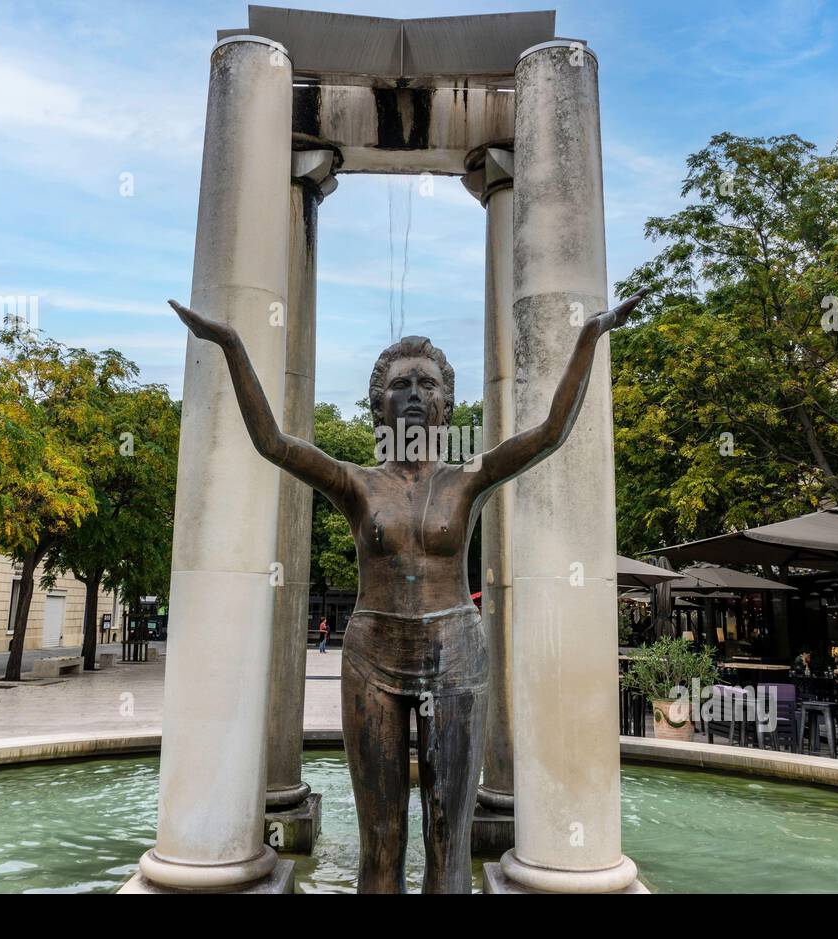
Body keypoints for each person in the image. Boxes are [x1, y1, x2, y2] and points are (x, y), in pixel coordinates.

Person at [169, 288, 644, 893]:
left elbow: (551, 431)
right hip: (372, 657)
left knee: (448, 842)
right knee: (382, 840)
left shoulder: (469, 478)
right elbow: (274, 444)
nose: (414, 395)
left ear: (447, 403)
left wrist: (589, 339)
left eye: (427, 384)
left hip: (455, 654)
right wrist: (231, 344)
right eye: (401, 385)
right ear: (379, 404)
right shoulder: (356, 484)